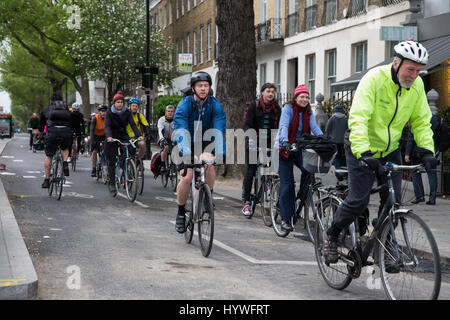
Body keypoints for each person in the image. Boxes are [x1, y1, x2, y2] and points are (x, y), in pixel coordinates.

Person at [324, 40, 438, 265]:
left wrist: (426, 151)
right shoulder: (374, 79)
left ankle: (383, 242)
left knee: (392, 202)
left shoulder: (416, 87)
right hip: (361, 146)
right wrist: (364, 153)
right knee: (359, 200)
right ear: (396, 63)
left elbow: (422, 121)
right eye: (410, 69)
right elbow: (358, 118)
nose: (414, 75)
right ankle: (332, 235)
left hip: (390, 150)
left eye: (418, 70)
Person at [173, 71, 226, 233]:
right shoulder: (185, 104)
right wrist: (187, 152)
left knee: (209, 165)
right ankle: (181, 212)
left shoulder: (215, 105)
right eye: (200, 86)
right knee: (188, 176)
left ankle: (207, 198)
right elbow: (180, 128)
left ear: (210, 88)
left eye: (206, 86)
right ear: (194, 88)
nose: (203, 89)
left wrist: (220, 152)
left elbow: (219, 128)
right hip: (185, 141)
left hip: (206, 141)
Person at [275, 84, 323, 232]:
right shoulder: (288, 109)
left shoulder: (309, 112)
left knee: (308, 173)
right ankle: (285, 219)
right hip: (285, 148)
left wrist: (323, 138)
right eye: (302, 96)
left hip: (300, 148)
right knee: (288, 184)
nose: (305, 99)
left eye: (307, 97)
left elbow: (314, 128)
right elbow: (283, 126)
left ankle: (299, 199)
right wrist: (284, 141)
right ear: (295, 97)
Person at [241, 83, 281, 216]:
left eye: (272, 92)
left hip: (269, 140)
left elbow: (280, 125)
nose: (270, 94)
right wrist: (251, 139)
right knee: (251, 170)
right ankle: (246, 202)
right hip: (254, 139)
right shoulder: (255, 105)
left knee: (270, 167)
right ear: (262, 92)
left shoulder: (276, 107)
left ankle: (268, 184)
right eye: (268, 91)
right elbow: (247, 124)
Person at [104, 91, 142, 195]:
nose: (120, 104)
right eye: (118, 102)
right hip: (112, 136)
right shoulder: (109, 112)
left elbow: (133, 124)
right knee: (112, 160)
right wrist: (109, 136)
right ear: (114, 103)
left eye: (121, 102)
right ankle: (112, 183)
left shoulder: (126, 112)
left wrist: (139, 135)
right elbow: (107, 126)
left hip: (123, 135)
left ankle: (125, 170)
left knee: (127, 152)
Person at [405, 106, 441, 205]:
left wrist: (407, 153)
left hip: (418, 150)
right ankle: (432, 198)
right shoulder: (435, 119)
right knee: (432, 173)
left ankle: (419, 196)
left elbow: (411, 138)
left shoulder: (417, 120)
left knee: (415, 172)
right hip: (432, 150)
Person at [39, 94, 73, 188]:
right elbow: (72, 121)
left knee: (49, 155)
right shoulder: (66, 109)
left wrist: (41, 136)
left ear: (51, 101)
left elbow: (41, 126)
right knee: (65, 148)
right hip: (66, 131)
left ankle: (46, 180)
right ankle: (65, 162)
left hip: (52, 132)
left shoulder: (46, 109)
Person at [125, 98, 148, 165]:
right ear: (130, 106)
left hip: (137, 138)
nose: (135, 107)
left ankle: (139, 160)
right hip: (127, 138)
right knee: (125, 154)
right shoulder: (126, 115)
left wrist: (147, 134)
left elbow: (145, 125)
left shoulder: (139, 116)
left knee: (142, 144)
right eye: (133, 106)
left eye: (136, 106)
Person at [325, 104, 348, 169]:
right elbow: (348, 129)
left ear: (335, 110)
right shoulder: (345, 118)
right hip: (343, 141)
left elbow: (327, 129)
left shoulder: (332, 118)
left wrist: (327, 138)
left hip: (333, 140)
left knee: (335, 155)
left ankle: (337, 168)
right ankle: (341, 168)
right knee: (341, 154)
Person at [88, 105, 107, 177]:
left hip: (104, 135)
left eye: (105, 111)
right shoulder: (95, 119)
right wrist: (93, 141)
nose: (103, 113)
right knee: (95, 151)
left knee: (106, 151)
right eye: (102, 111)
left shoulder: (108, 119)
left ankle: (106, 165)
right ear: (99, 112)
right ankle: (94, 168)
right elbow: (92, 131)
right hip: (96, 136)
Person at [157, 105, 175, 172]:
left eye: (172, 111)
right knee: (165, 147)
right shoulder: (161, 120)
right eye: (168, 111)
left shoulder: (176, 120)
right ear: (165, 112)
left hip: (173, 138)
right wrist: (162, 139)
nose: (170, 113)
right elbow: (160, 131)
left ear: (174, 113)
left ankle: (174, 165)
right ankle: (163, 165)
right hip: (163, 137)